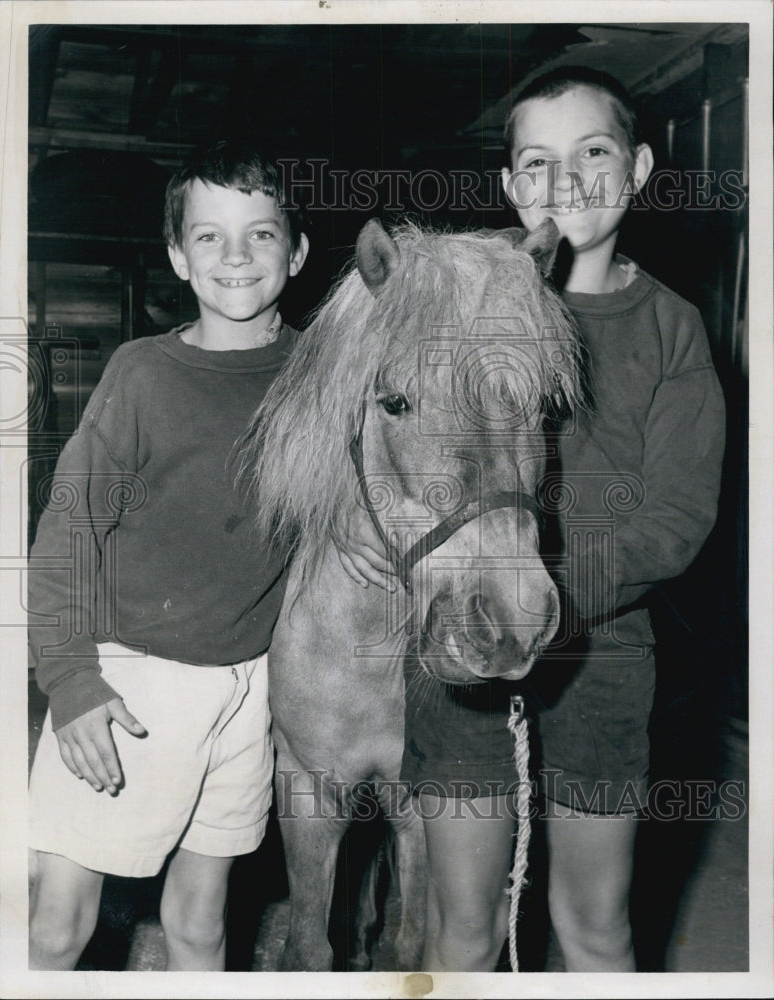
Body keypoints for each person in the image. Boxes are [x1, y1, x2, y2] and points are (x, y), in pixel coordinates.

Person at [340, 65, 726, 972]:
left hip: (604, 657)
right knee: (459, 930)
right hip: (454, 647)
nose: (566, 182)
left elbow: (676, 515)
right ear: (513, 187)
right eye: (537, 163)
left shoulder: (671, 326)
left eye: (591, 153)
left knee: (595, 928)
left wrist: (548, 591)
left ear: (634, 170)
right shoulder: (461, 303)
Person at [27, 139, 309, 971]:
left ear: (293, 252)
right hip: (130, 679)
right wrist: (72, 682)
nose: (234, 256)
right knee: (57, 922)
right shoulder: (142, 374)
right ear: (179, 255)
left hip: (251, 687)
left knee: (200, 922)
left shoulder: (319, 375)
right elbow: (68, 531)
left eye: (259, 234)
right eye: (210, 236)